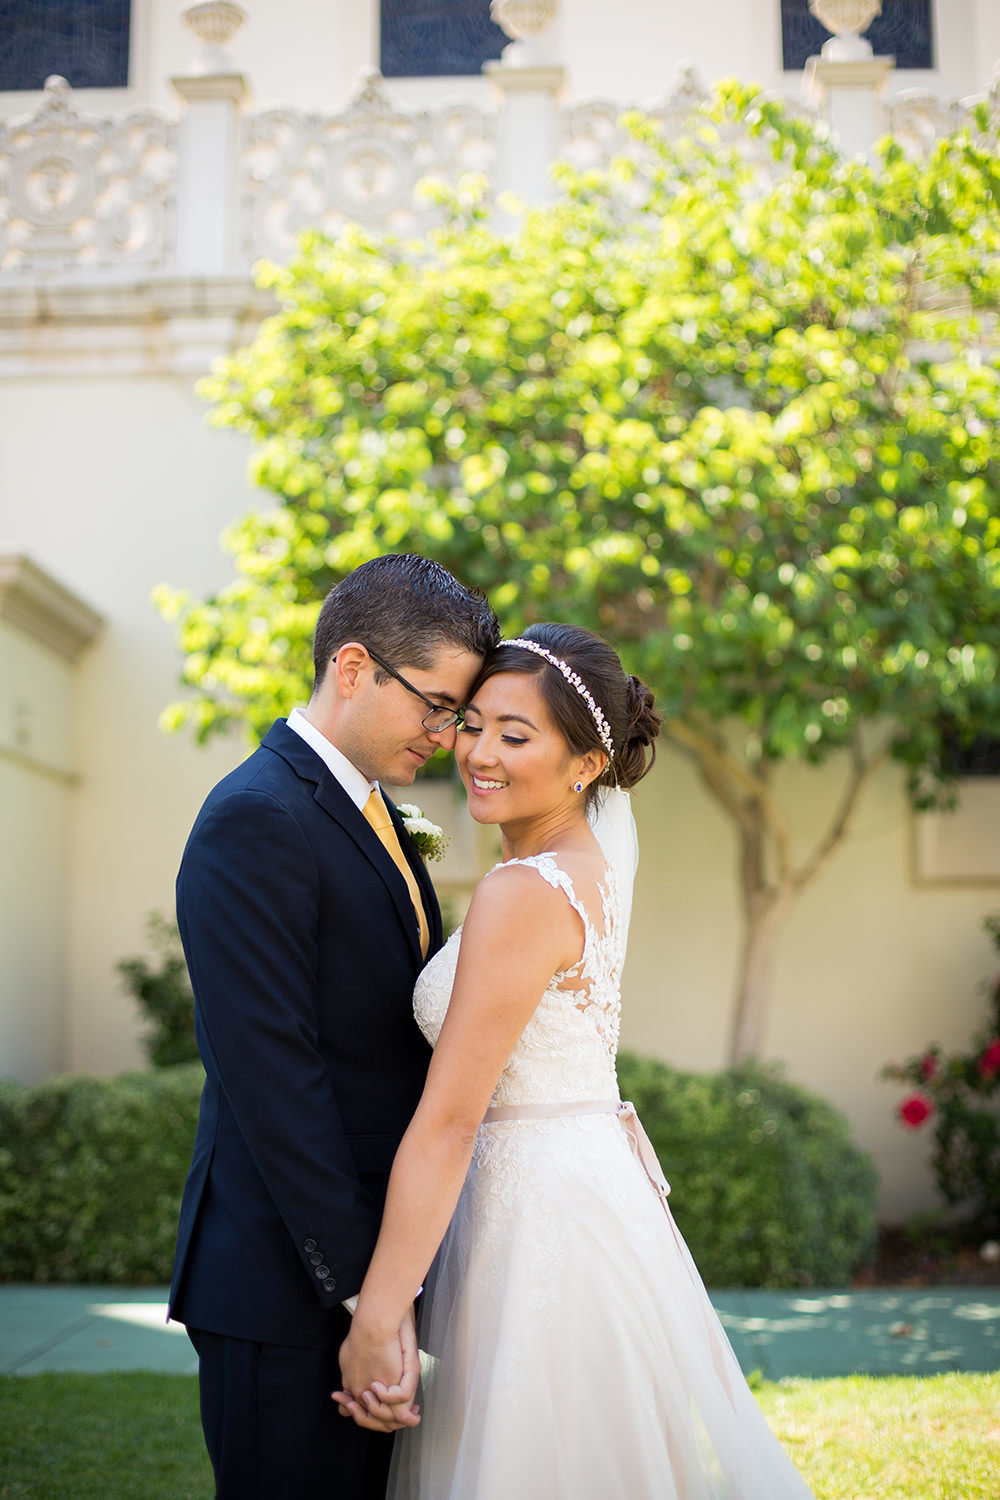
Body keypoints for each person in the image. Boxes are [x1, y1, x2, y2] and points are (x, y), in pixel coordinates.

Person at [333, 623, 817, 1500]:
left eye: (516, 736)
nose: (477, 751)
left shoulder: (524, 891)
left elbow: (448, 1121)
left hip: (539, 1223)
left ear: (587, 764)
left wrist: (377, 1313)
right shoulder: (581, 869)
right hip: (584, 1186)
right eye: (473, 723)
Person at [167, 553, 499, 1500]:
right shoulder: (254, 818)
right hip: (286, 1283)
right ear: (352, 668)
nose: (446, 734)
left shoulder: (369, 810)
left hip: (369, 1274)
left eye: (457, 713)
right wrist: (366, 1297)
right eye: (434, 704)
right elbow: (276, 1081)